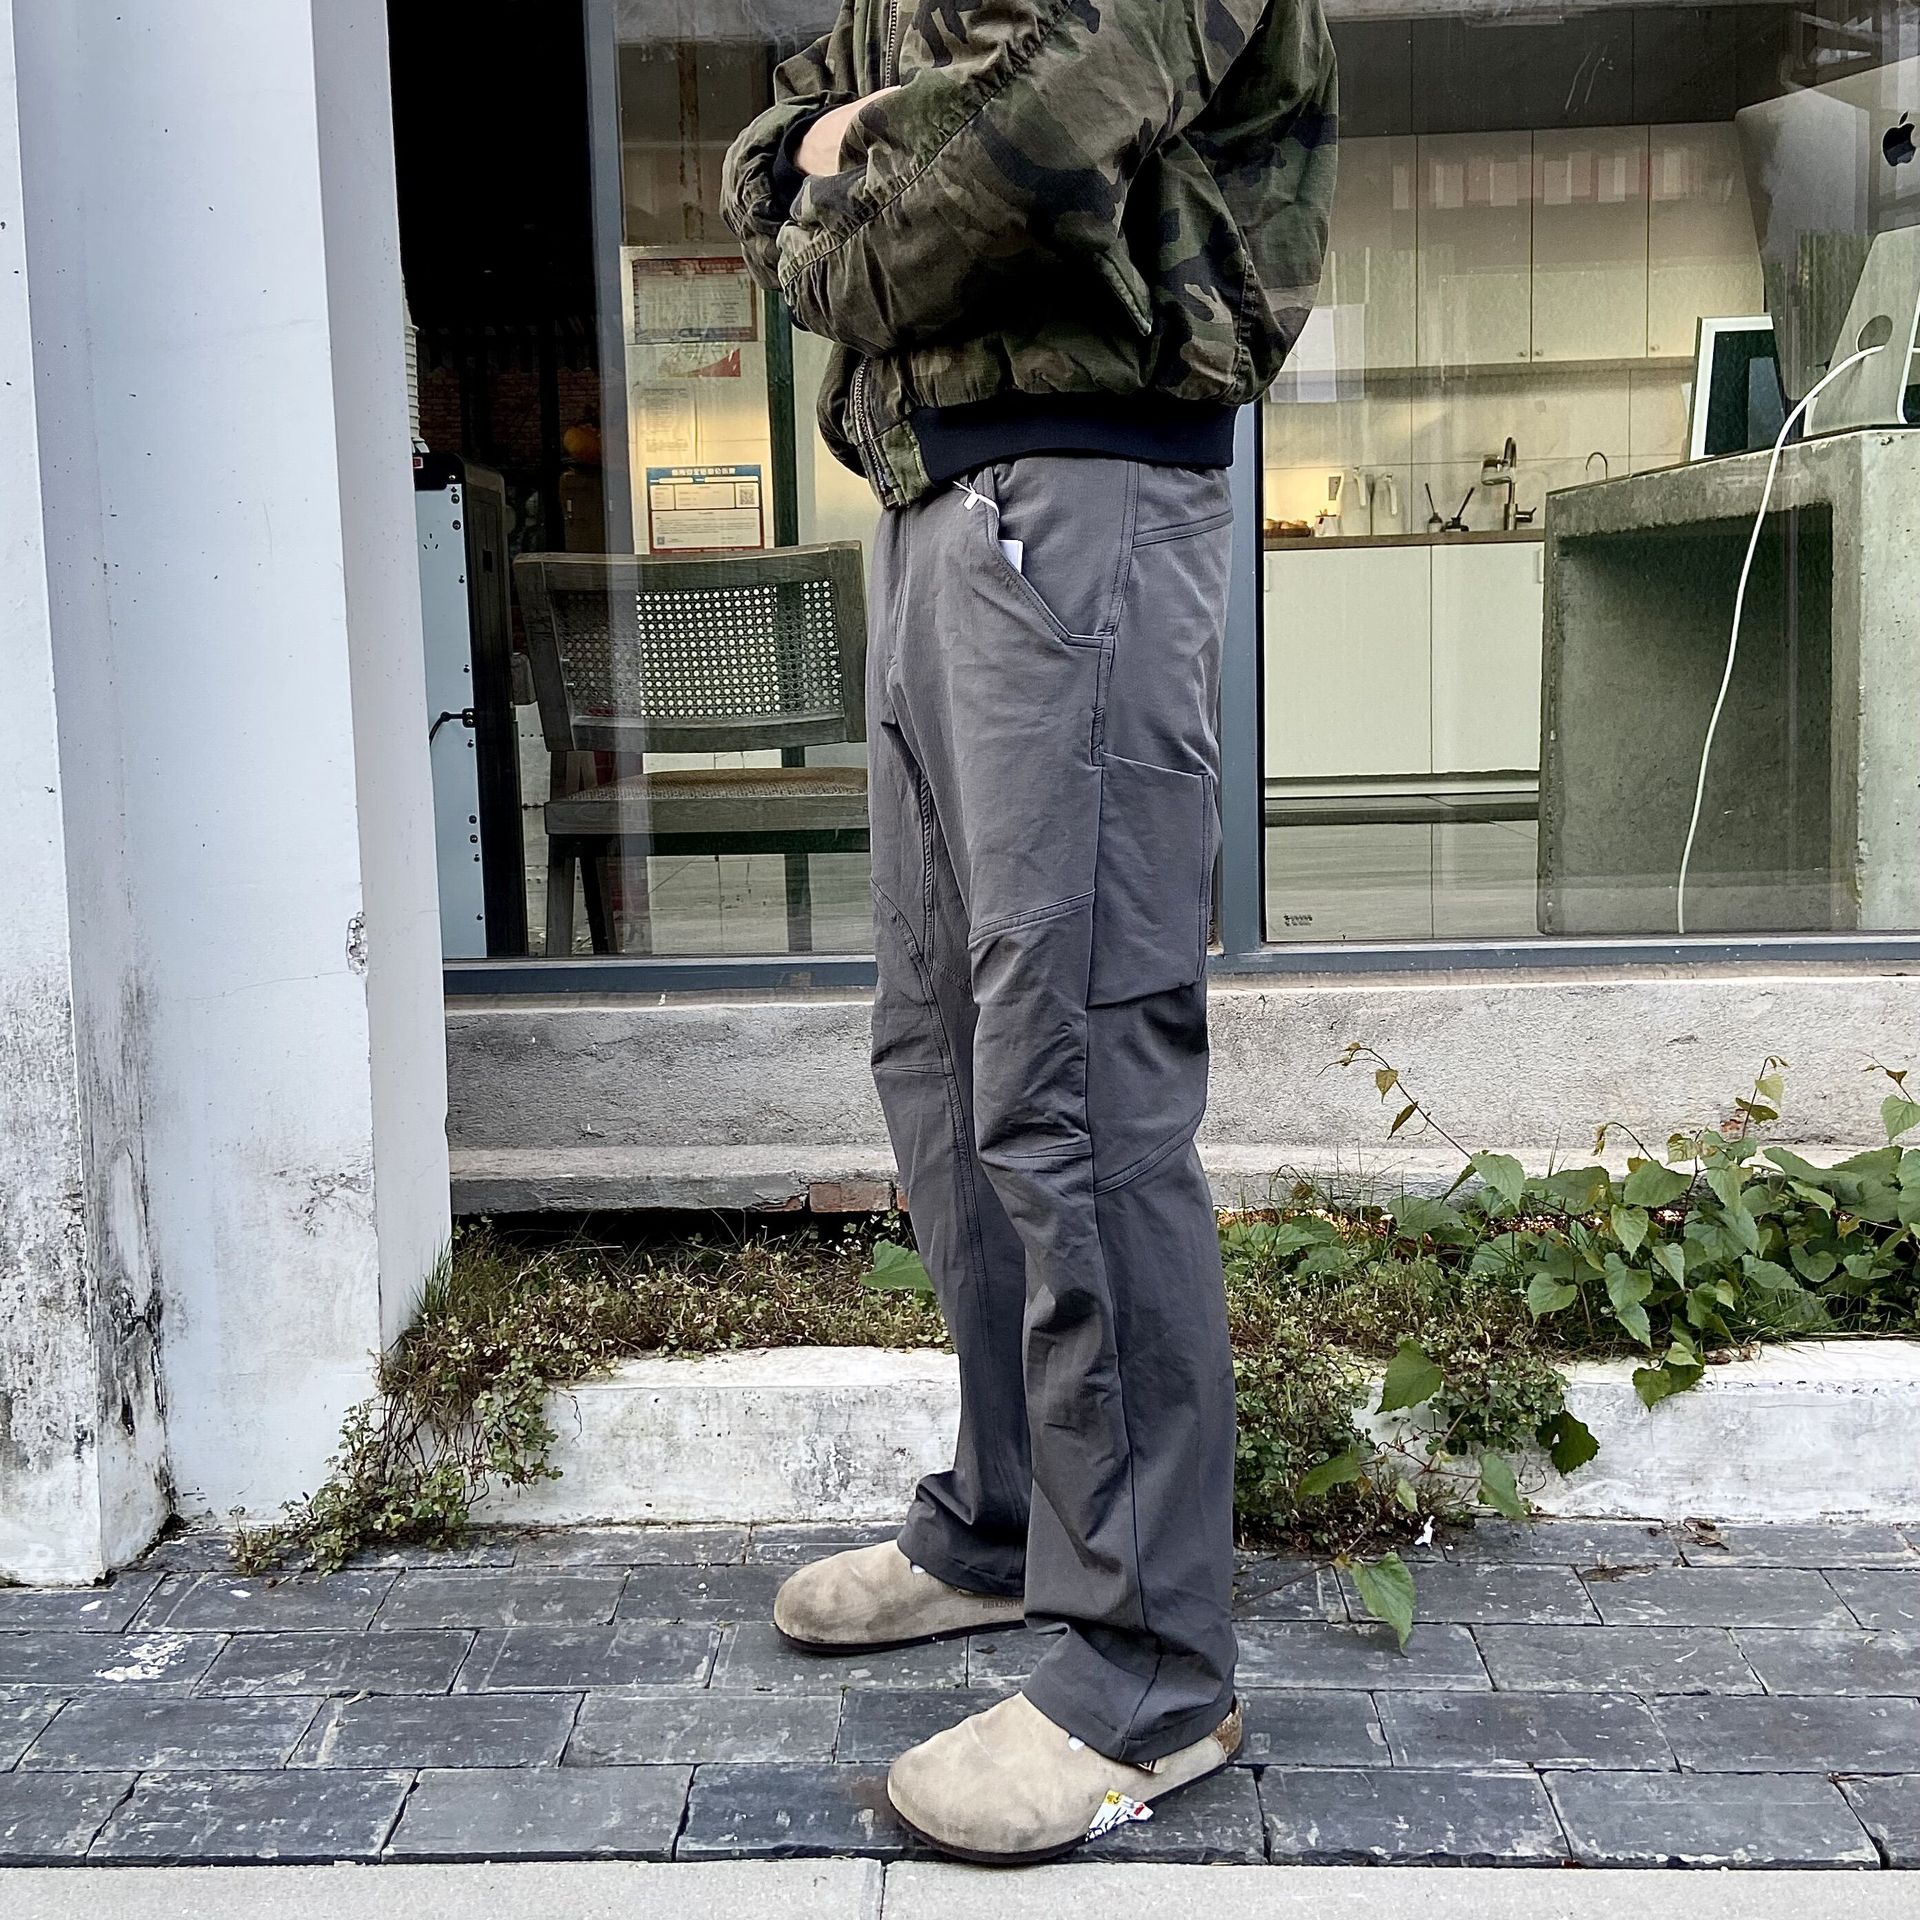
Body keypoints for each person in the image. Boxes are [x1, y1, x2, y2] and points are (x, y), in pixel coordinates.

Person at [722, 0, 1336, 1866]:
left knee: (1076, 1080)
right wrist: (868, 144)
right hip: (931, 508)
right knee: (939, 1060)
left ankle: (1151, 1669)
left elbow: (1048, 133)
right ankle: (1010, 1524)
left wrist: (858, 165)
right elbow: (765, 162)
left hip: (1089, 489)